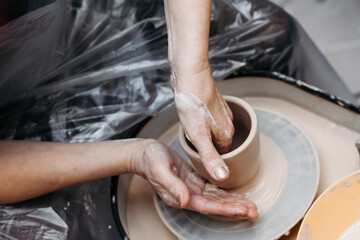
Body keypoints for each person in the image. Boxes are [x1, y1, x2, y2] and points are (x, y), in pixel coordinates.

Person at [0, 0, 258, 220]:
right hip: (14, 123)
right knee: (79, 220)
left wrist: (192, 71)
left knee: (269, 33)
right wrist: (134, 155)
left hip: (93, 16)